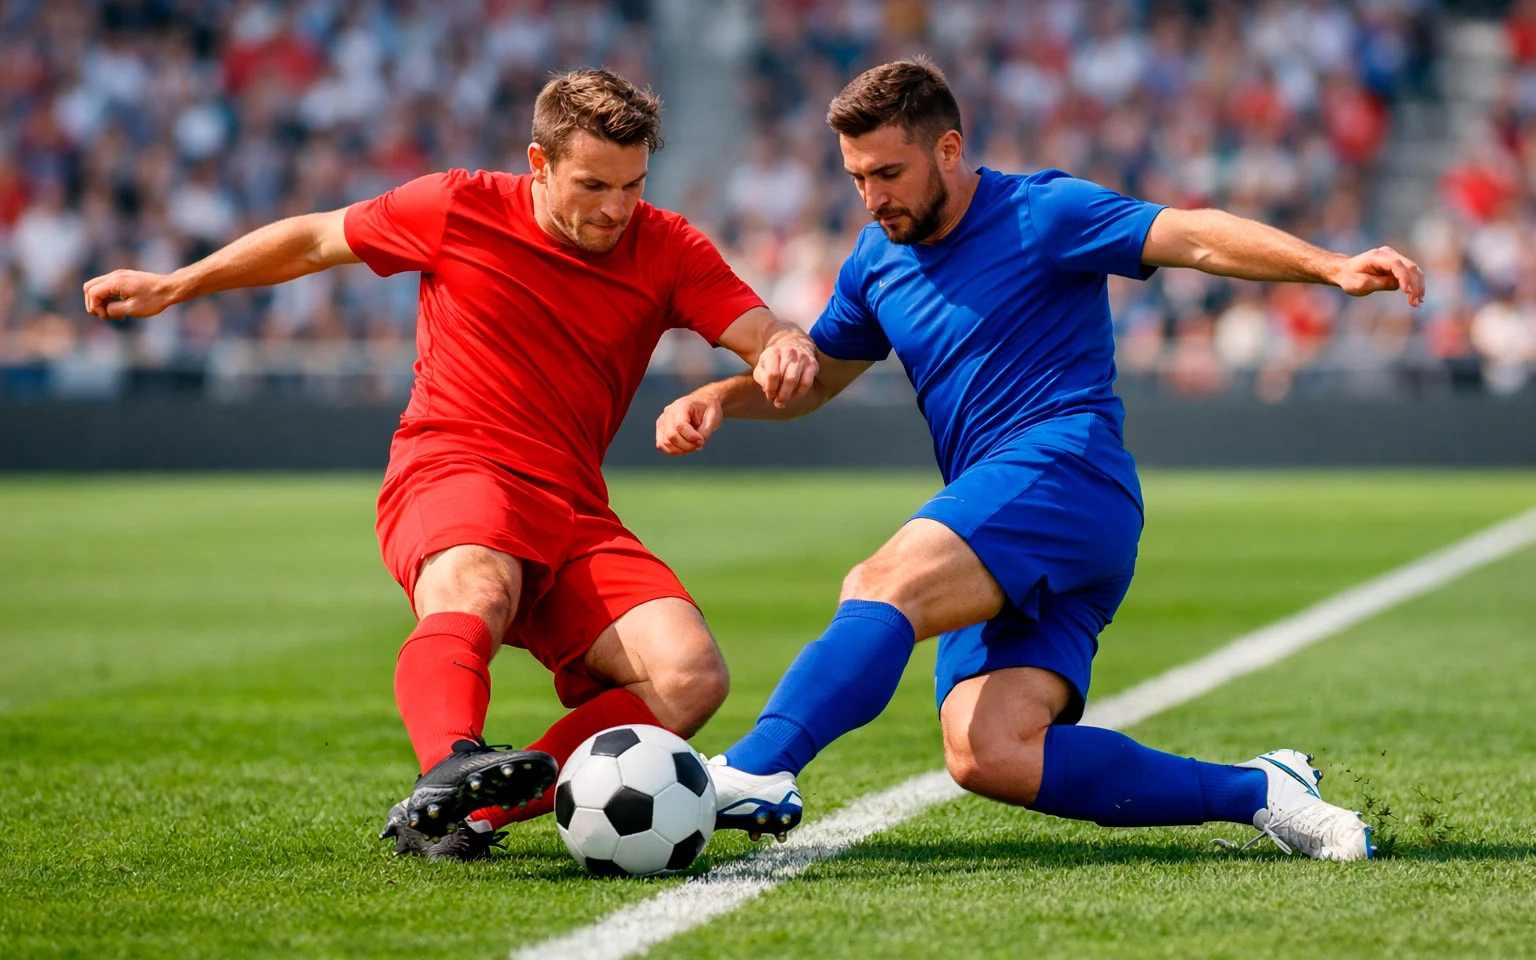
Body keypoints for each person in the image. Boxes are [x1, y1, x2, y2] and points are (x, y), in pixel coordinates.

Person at [657, 58, 1424, 860]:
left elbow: (1193, 235)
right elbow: (814, 379)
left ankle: (757, 766)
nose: (872, 196)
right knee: (988, 752)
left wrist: (1329, 266)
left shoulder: (1042, 212)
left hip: (1065, 473)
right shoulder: (875, 260)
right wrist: (722, 397)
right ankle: (1261, 791)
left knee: (882, 585)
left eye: (888, 173)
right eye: (857, 178)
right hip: (1006, 516)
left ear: (948, 150)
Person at [83, 69, 818, 861]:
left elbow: (761, 330)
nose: (616, 208)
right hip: (454, 467)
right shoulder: (456, 206)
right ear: (538, 164)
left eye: (633, 185)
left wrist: (782, 347)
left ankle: (465, 816)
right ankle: (447, 762)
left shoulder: (667, 244)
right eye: (593, 185)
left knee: (689, 675)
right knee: (479, 586)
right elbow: (315, 240)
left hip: (573, 505)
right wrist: (176, 285)